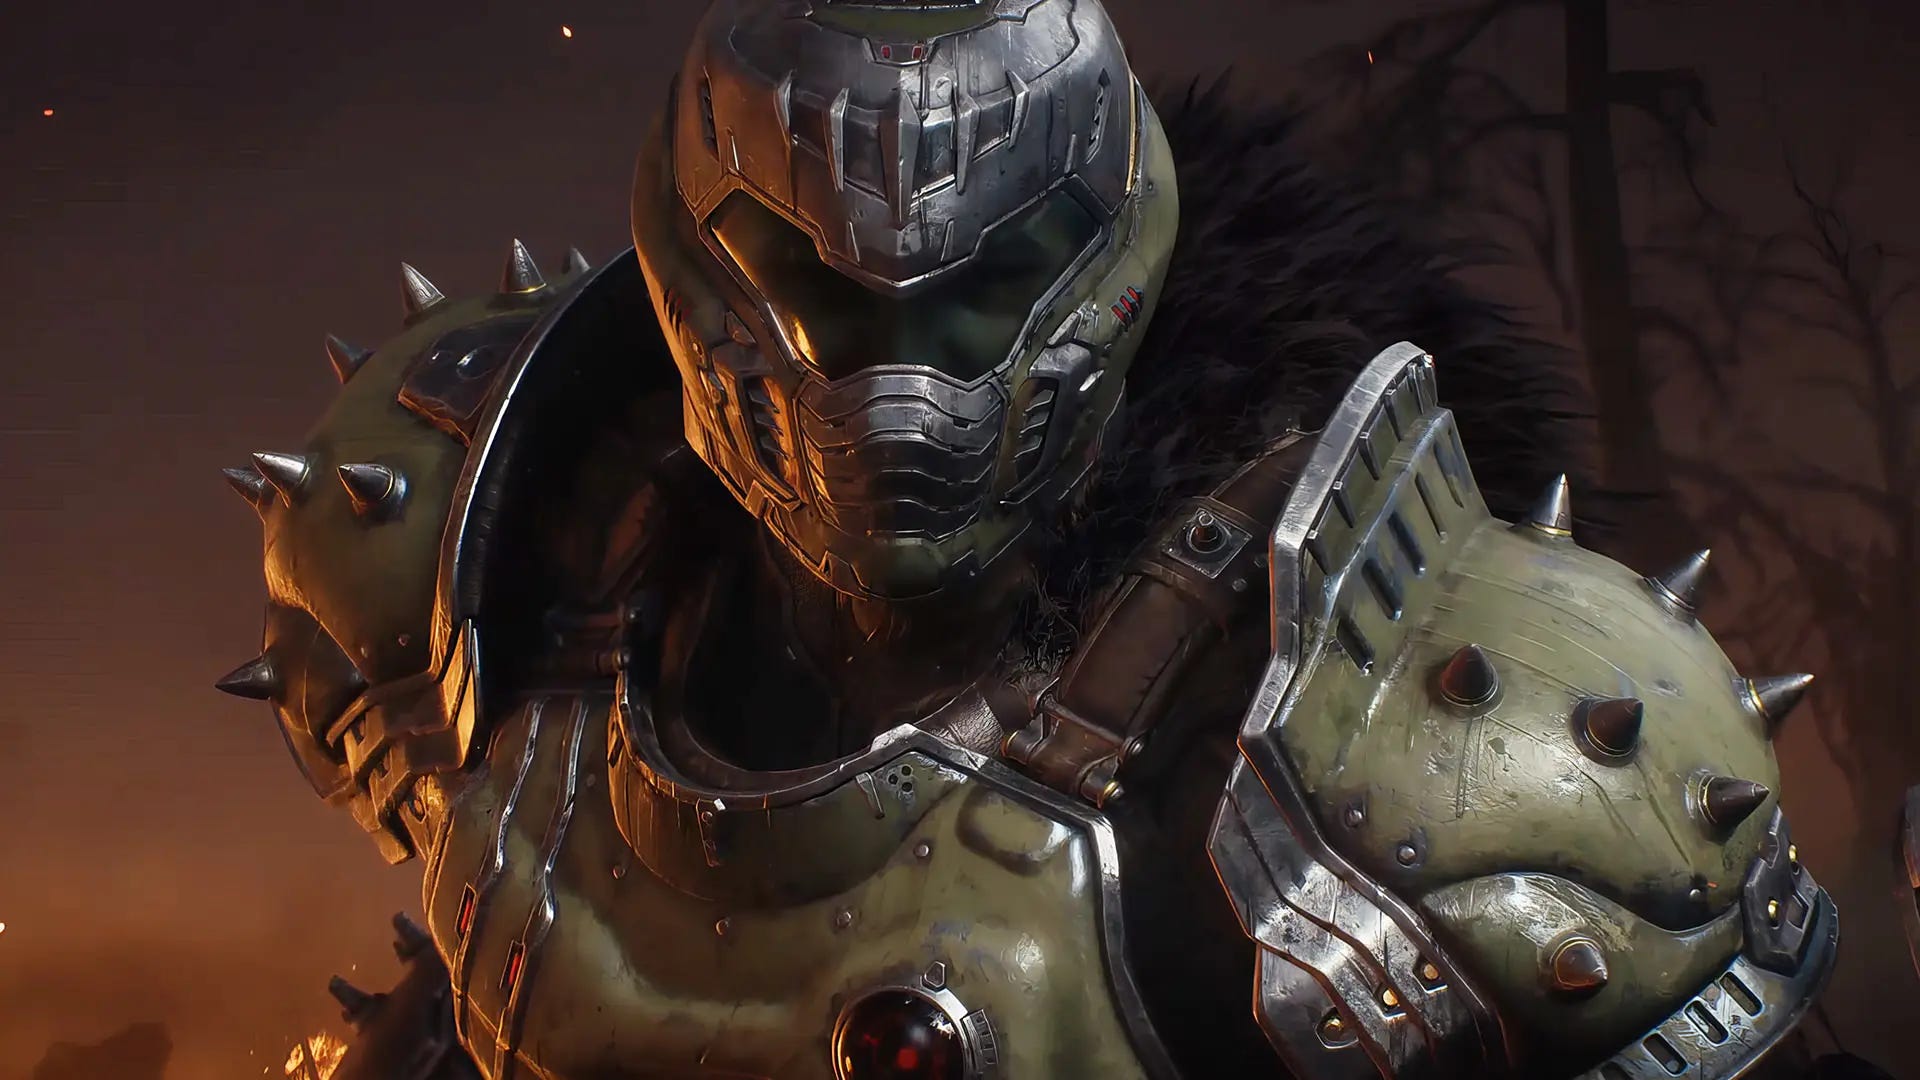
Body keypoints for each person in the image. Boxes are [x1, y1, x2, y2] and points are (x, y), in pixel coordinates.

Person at [217, 1, 1833, 1076]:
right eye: (818, 289)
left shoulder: (1432, 716)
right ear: (692, 275)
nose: (898, 395)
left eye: (987, 286)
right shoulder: (479, 561)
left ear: (1116, 254)